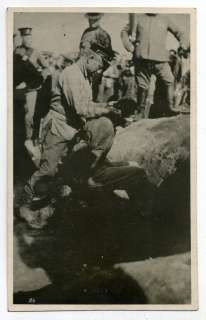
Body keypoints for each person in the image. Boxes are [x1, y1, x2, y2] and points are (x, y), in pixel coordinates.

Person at [121, 13, 189, 118]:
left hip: (160, 59)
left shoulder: (165, 18)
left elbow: (179, 33)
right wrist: (129, 47)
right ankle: (140, 111)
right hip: (142, 58)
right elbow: (124, 32)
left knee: (169, 79)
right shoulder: (138, 18)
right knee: (142, 85)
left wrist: (183, 44)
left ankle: (169, 107)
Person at [14, 27, 49, 151]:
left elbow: (46, 68)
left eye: (29, 37)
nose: (28, 40)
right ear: (22, 38)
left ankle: (29, 139)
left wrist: (40, 80)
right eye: (25, 37)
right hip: (17, 89)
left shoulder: (36, 52)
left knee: (29, 116)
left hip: (30, 90)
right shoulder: (16, 51)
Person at [80, 13, 114, 101]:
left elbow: (108, 56)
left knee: (92, 97)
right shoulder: (86, 32)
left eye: (95, 19)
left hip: (94, 72)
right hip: (82, 70)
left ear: (99, 19)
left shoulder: (103, 34)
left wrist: (99, 70)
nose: (92, 22)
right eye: (90, 19)